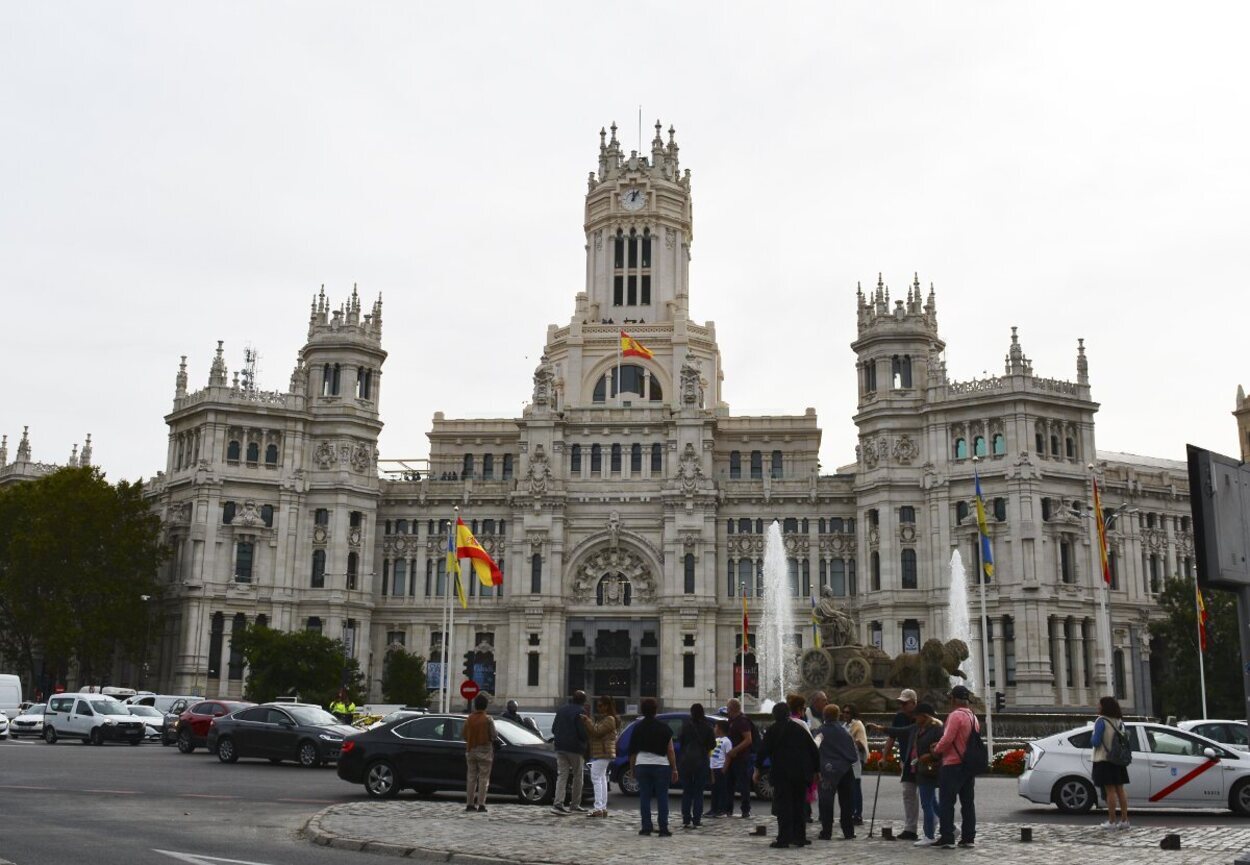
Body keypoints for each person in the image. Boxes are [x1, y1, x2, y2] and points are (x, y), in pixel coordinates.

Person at [873, 702, 945, 846]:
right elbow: (899, 731)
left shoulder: (936, 729)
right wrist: (881, 728)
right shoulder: (917, 727)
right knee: (932, 802)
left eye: (917, 715)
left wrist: (930, 755)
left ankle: (929, 835)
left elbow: (941, 748)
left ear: (924, 716)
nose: (914, 718)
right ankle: (950, 828)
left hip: (928, 769)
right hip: (917, 768)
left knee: (926, 804)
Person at [755, 702, 819, 849]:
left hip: (782, 774)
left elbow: (762, 751)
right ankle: (799, 837)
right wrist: (816, 771)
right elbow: (813, 750)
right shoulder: (799, 729)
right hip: (800, 774)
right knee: (799, 806)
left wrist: (757, 769)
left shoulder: (773, 730)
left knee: (784, 807)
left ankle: (783, 839)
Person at [932, 685, 981, 849]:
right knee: (968, 803)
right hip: (968, 765)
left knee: (947, 802)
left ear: (954, 699)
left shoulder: (955, 716)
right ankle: (968, 837)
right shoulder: (973, 717)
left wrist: (936, 750)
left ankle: (947, 836)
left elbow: (947, 739)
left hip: (952, 764)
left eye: (950, 698)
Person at [629, 696, 678, 836]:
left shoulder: (637, 728)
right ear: (656, 710)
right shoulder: (664, 728)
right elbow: (670, 750)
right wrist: (674, 768)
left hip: (642, 763)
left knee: (645, 797)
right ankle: (663, 827)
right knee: (662, 797)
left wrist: (632, 769)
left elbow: (632, 752)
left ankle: (646, 827)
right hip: (661, 764)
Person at [816, 704, 858, 840]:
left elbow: (815, 747)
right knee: (847, 802)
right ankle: (848, 831)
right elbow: (853, 754)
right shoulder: (844, 732)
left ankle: (826, 831)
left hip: (828, 770)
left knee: (826, 801)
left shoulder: (820, 732)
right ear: (838, 715)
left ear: (824, 716)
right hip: (845, 770)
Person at [881, 688, 919, 839]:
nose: (902, 706)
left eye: (905, 703)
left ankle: (944, 827)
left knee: (927, 796)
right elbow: (892, 737)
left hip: (922, 761)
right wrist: (884, 756)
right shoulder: (899, 717)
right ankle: (910, 828)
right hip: (906, 760)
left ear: (914, 703)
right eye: (900, 703)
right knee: (908, 794)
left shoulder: (923, 716)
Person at [1092, 695, 1130, 830]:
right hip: (1119, 760)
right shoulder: (1119, 721)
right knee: (1120, 789)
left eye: (1099, 705)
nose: (1097, 707)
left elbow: (1095, 742)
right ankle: (1125, 820)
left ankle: (1112, 821)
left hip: (1105, 759)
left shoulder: (1101, 721)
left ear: (1104, 707)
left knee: (1110, 791)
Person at [677, 703, 716, 828]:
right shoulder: (708, 727)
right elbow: (712, 745)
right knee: (699, 792)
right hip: (701, 761)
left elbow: (680, 742)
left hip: (686, 762)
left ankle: (686, 818)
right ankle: (697, 818)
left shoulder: (685, 726)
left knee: (687, 791)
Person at [551, 690, 589, 814]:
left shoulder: (561, 710)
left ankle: (558, 803)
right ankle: (575, 804)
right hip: (575, 748)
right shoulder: (581, 712)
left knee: (562, 775)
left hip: (560, 746)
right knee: (578, 776)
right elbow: (582, 732)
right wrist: (586, 741)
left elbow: (554, 728)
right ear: (583, 701)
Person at [583, 695, 618, 818]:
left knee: (596, 777)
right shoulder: (607, 719)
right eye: (597, 705)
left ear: (607, 706)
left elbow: (597, 732)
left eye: (600, 705)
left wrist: (587, 721)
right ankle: (602, 807)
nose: (598, 707)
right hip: (603, 752)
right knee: (601, 778)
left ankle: (598, 807)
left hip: (603, 752)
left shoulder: (609, 719)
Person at [462, 693, 495, 812]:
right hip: (485, 750)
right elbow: (494, 735)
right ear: (485, 706)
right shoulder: (488, 719)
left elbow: (464, 734)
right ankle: (481, 804)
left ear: (475, 706)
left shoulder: (469, 718)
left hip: (471, 749)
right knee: (483, 778)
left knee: (471, 778)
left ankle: (469, 803)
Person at [723, 697, 755, 819]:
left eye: (728, 708)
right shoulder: (731, 720)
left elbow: (748, 739)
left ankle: (745, 810)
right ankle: (728, 809)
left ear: (732, 709)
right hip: (731, 757)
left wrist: (735, 750)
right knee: (729, 784)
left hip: (740, 758)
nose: (727, 710)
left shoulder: (742, 721)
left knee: (743, 785)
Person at [841, 702, 869, 825]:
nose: (845, 714)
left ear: (852, 713)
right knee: (848, 790)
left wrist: (850, 740)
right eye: (844, 712)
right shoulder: (843, 726)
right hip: (845, 761)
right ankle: (849, 813)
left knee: (856, 788)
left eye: (848, 712)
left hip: (855, 760)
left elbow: (861, 743)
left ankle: (858, 814)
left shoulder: (857, 725)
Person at [709, 720, 733, 818]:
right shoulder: (715, 740)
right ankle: (713, 809)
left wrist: (724, 769)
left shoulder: (727, 741)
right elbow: (711, 755)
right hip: (713, 768)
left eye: (715, 727)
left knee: (722, 790)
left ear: (720, 729)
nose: (714, 729)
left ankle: (722, 809)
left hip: (721, 768)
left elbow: (728, 756)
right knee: (714, 790)